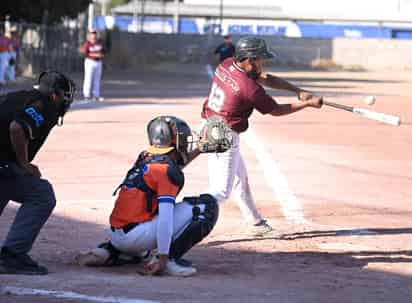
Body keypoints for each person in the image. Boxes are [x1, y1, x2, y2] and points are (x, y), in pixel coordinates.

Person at [201, 37, 323, 237]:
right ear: (249, 60)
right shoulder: (249, 89)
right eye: (260, 59)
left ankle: (255, 222)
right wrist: (307, 104)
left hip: (210, 124)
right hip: (224, 135)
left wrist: (297, 91)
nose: (263, 63)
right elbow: (276, 110)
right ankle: (185, 218)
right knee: (221, 191)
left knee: (240, 179)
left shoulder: (228, 64)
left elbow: (266, 77)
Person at [76, 116, 226, 277]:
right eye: (182, 139)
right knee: (207, 206)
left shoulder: (146, 156)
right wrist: (163, 256)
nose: (185, 143)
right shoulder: (166, 172)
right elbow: (165, 219)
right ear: (175, 142)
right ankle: (171, 261)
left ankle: (113, 252)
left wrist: (199, 150)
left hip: (117, 235)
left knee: (142, 239)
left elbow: (172, 165)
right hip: (136, 237)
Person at [0, 71, 76, 275]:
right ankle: (13, 256)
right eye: (63, 97)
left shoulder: (17, 96)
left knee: (9, 178)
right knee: (41, 194)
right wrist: (24, 163)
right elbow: (17, 128)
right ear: (55, 95)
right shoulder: (45, 105)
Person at [81, 29, 104, 102]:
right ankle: (86, 96)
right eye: (92, 33)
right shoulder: (87, 43)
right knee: (88, 79)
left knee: (97, 79)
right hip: (90, 62)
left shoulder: (99, 43)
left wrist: (100, 55)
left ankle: (96, 95)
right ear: (89, 35)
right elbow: (84, 53)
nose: (93, 35)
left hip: (98, 62)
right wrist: (94, 54)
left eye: (94, 33)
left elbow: (103, 52)